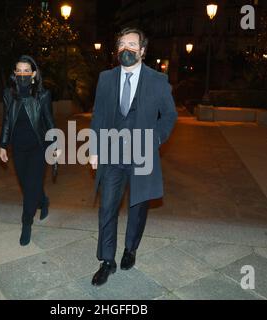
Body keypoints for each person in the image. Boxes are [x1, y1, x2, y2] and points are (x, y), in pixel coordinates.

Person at [89, 28, 178, 286]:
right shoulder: (106, 78)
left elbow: (169, 116)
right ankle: (107, 260)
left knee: (138, 208)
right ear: (117, 50)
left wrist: (156, 140)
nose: (126, 49)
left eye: (132, 44)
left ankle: (130, 248)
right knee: (107, 207)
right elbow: (98, 116)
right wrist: (94, 150)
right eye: (122, 44)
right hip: (112, 154)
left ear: (142, 50)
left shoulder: (157, 80)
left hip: (142, 154)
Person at [0, 55, 59, 246]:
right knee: (28, 185)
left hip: (38, 148)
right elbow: (7, 120)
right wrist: (2, 144)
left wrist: (56, 145)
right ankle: (43, 201)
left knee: (30, 187)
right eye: (19, 70)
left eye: (26, 70)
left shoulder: (43, 95)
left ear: (33, 74)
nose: (22, 74)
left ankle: (26, 223)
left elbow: (49, 122)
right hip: (19, 148)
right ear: (15, 74)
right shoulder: (9, 94)